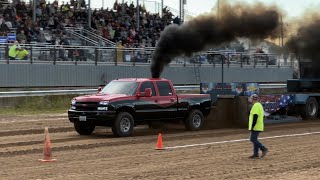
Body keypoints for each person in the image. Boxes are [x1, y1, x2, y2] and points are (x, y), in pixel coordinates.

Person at [248, 94, 268, 159]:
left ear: (253, 99)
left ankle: (263, 148)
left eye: (251, 98)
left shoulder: (256, 105)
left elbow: (255, 116)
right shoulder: (258, 105)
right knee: (254, 139)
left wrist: (253, 126)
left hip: (256, 126)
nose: (250, 100)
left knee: (252, 139)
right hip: (258, 125)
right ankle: (255, 154)